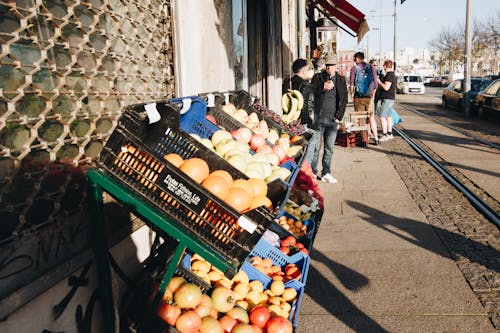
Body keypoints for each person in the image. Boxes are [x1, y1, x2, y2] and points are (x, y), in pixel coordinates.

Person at [311, 54, 348, 183]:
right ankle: (312, 172)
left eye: (331, 66)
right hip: (319, 118)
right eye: (327, 65)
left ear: (336, 66)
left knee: (329, 148)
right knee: (315, 148)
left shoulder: (341, 80)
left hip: (333, 119)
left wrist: (339, 117)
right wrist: (322, 88)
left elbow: (344, 100)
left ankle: (326, 172)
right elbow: (311, 92)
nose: (329, 68)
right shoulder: (318, 78)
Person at [290, 58, 320, 170]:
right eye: (308, 69)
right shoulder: (306, 85)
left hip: (290, 121)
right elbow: (308, 106)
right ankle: (306, 172)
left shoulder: (287, 82)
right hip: (303, 123)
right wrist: (312, 124)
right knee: (310, 148)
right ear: (303, 71)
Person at [349, 52, 380, 145]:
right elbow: (376, 84)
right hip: (369, 97)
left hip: (358, 97)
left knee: (361, 118)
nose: (354, 61)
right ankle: (376, 138)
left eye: (355, 59)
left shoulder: (354, 69)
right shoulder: (371, 67)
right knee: (371, 117)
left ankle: (364, 140)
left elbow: (351, 85)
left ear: (358, 58)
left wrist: (352, 95)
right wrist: (373, 95)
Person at [376, 59, 397, 141]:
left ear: (385, 66)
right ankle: (390, 133)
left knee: (382, 116)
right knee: (388, 117)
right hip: (390, 98)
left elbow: (386, 87)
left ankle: (385, 134)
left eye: (383, 66)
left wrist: (379, 82)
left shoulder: (389, 75)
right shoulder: (392, 74)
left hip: (387, 98)